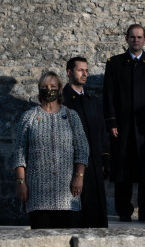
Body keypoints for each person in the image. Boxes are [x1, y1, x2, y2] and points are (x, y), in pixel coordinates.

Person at [103, 23, 145, 222]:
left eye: (139, 37)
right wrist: (111, 122)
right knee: (123, 168)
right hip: (122, 126)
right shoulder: (115, 64)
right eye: (132, 37)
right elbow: (109, 95)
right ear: (126, 39)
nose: (135, 40)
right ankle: (124, 211)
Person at [14, 71, 89, 229]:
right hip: (37, 192)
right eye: (45, 86)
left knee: (65, 239)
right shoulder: (29, 117)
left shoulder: (71, 116)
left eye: (53, 86)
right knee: (40, 239)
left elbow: (82, 149)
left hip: (66, 191)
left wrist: (79, 176)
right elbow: (20, 153)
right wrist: (21, 182)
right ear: (39, 90)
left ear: (60, 89)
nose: (49, 89)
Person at [63, 57, 109, 228]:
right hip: (71, 166)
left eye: (86, 70)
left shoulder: (92, 100)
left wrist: (104, 159)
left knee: (96, 214)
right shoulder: (62, 101)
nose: (85, 74)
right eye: (80, 70)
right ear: (69, 72)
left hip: (95, 165)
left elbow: (102, 132)